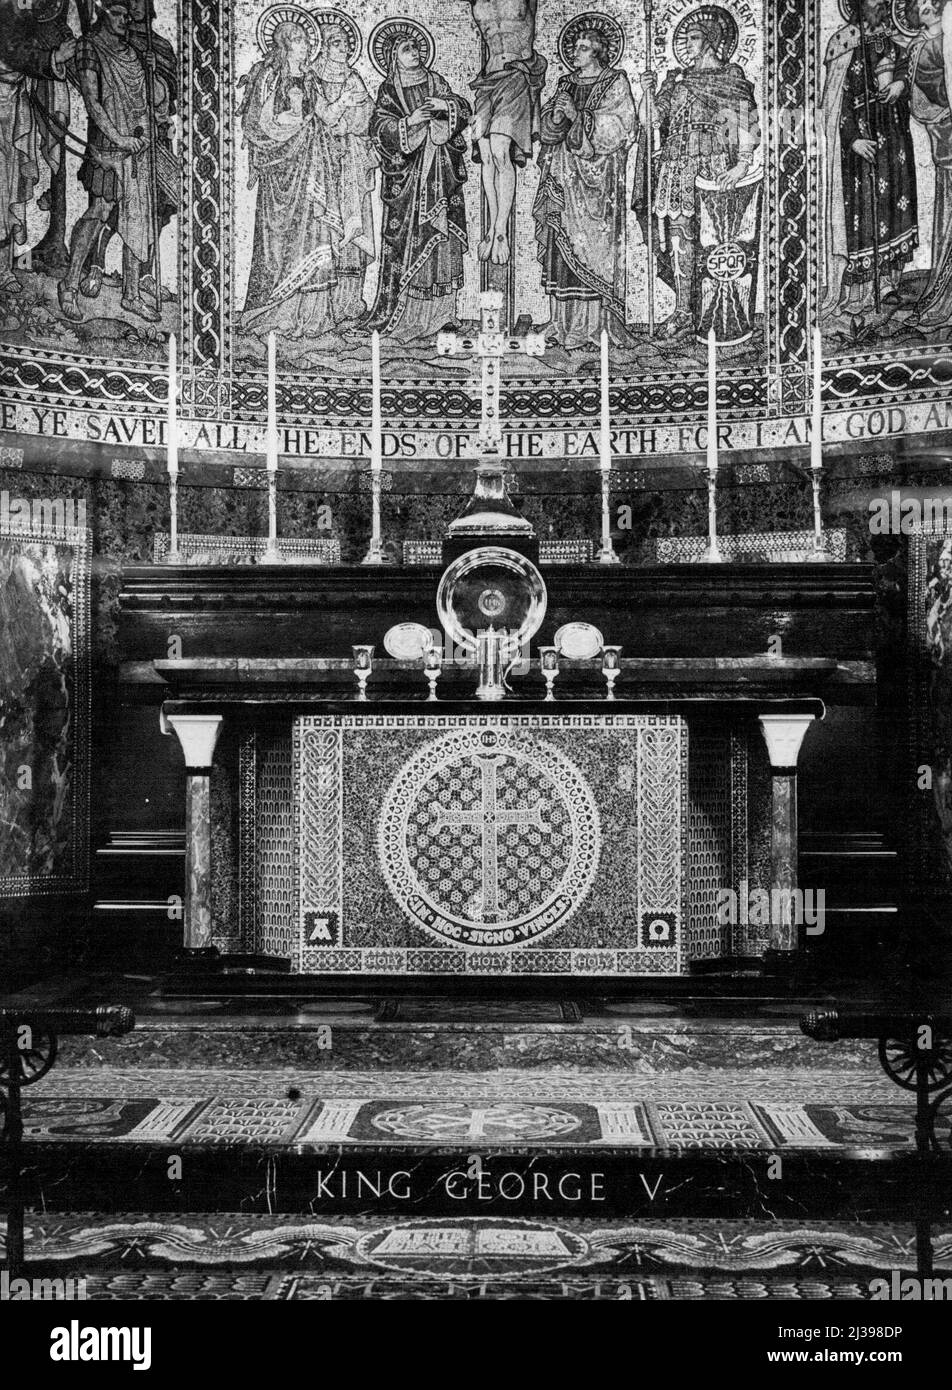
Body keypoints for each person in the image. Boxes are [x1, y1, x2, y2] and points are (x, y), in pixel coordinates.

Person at [239, 16, 373, 340]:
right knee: (280, 244)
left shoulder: (311, 80)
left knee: (316, 235)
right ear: (284, 46)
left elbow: (325, 115)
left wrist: (341, 103)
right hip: (283, 172)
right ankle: (276, 312)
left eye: (305, 40)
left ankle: (313, 318)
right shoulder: (270, 76)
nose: (305, 45)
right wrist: (294, 122)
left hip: (312, 170)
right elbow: (259, 123)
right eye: (298, 40)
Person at [633, 7, 760, 339]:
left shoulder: (731, 76)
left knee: (715, 238)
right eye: (685, 38)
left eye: (693, 38)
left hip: (714, 161)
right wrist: (647, 90)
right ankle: (683, 311)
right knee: (678, 239)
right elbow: (650, 121)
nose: (686, 44)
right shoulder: (676, 79)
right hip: (675, 164)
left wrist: (742, 164)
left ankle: (716, 310)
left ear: (712, 40)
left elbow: (745, 119)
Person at [57, 0, 164, 323]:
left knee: (137, 217)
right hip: (108, 145)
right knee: (100, 211)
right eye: (118, 14)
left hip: (138, 147)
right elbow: (93, 101)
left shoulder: (133, 53)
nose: (124, 20)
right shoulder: (90, 48)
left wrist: (152, 70)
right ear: (104, 13)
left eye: (128, 16)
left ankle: (131, 295)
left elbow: (149, 100)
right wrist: (119, 139)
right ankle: (69, 285)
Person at [363, 24, 470, 341]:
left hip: (441, 173)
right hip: (407, 179)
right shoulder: (389, 89)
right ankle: (407, 314)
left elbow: (462, 109)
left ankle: (442, 314)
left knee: (443, 239)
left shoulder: (437, 82)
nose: (415, 52)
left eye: (417, 47)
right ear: (393, 57)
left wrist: (444, 107)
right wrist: (410, 122)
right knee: (409, 240)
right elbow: (379, 127)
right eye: (406, 48)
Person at [533, 24, 636, 347]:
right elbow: (548, 129)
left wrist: (579, 115)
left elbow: (622, 127)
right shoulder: (566, 83)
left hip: (599, 179)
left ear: (598, 52)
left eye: (583, 48)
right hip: (563, 175)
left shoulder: (614, 82)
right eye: (574, 47)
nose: (575, 53)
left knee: (595, 249)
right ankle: (560, 324)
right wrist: (555, 116)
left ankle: (592, 327)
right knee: (559, 246)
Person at [819, 0, 918, 321]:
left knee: (895, 204)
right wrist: (852, 139)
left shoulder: (893, 42)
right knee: (862, 212)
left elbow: (906, 70)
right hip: (861, 145)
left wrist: (900, 83)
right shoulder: (842, 43)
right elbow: (837, 101)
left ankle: (889, 283)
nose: (881, 3)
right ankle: (859, 292)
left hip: (893, 138)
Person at [463, 0, 546, 265]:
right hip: (487, 81)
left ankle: (501, 230)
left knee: (500, 152)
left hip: (516, 75)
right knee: (486, 155)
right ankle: (491, 228)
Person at [0, 0, 75, 284]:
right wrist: (53, 57)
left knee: (8, 189)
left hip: (13, 99)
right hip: (3, 100)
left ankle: (6, 270)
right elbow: (12, 46)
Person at [307, 20, 375, 325]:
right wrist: (341, 108)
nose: (344, 48)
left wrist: (349, 123)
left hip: (353, 163)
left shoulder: (354, 77)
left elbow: (368, 115)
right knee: (329, 230)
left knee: (353, 232)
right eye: (337, 43)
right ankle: (328, 305)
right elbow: (316, 116)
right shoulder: (312, 79)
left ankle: (351, 301)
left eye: (347, 42)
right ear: (324, 45)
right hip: (324, 164)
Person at [904, 0, 952, 332]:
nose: (925, 5)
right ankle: (943, 296)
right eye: (918, 5)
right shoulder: (921, 48)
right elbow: (923, 100)